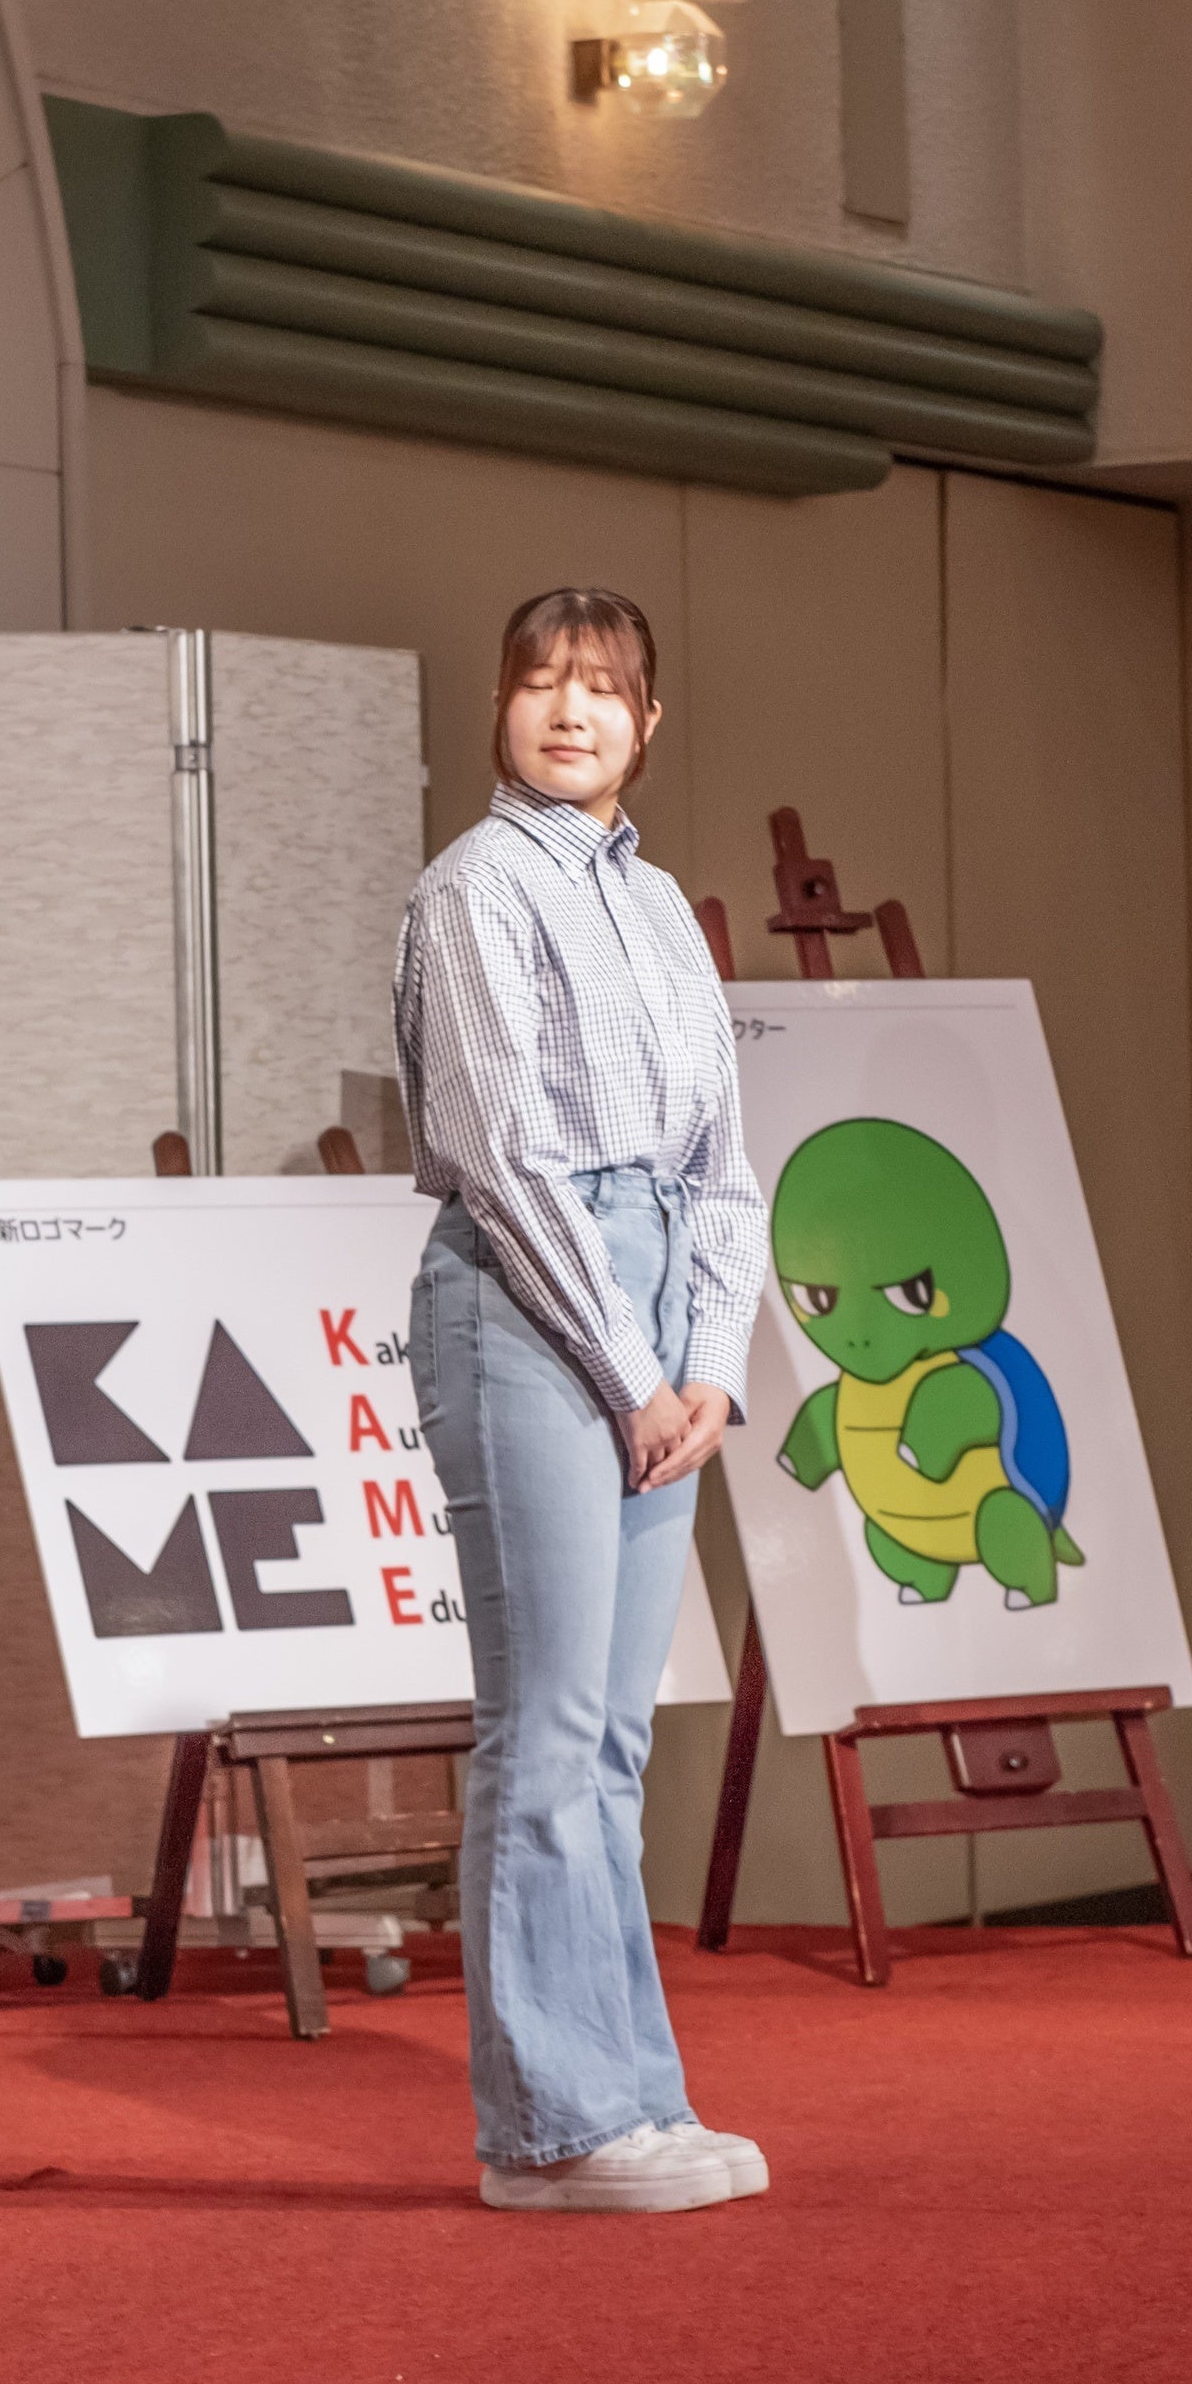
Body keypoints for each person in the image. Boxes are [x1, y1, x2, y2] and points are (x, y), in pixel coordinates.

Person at [394, 587, 769, 2215]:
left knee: (613, 1738)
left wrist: (709, 1365)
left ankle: (631, 2095)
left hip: (660, 1302)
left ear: (646, 722)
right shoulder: (473, 889)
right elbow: (502, 1156)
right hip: (524, 1302)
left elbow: (722, 1166)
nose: (569, 711)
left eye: (603, 688)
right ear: (498, 706)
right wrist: (630, 1372)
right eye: (540, 683)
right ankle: (547, 2132)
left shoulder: (663, 906)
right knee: (543, 1729)